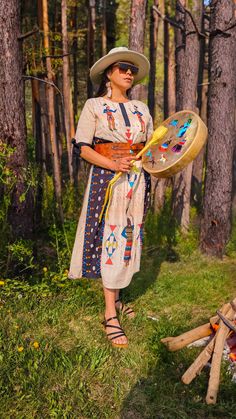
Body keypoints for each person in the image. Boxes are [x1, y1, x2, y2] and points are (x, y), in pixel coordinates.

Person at [69, 47, 153, 348]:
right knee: (110, 238)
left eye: (131, 69)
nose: (128, 73)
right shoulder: (94, 105)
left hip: (136, 180)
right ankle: (109, 314)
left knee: (128, 238)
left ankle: (116, 299)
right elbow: (83, 147)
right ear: (109, 73)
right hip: (108, 179)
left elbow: (150, 147)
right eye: (122, 68)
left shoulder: (141, 109)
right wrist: (113, 164)